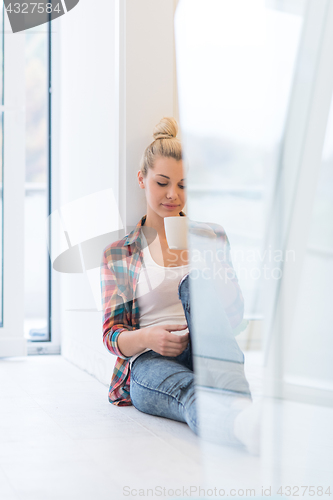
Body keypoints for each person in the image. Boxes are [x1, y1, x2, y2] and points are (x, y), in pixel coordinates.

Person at [100, 117, 260, 454]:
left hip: (211, 349)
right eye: (162, 183)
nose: (173, 195)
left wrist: (215, 268)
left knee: (193, 285)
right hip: (150, 359)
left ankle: (242, 411)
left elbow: (234, 319)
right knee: (191, 392)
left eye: (184, 185)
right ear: (142, 179)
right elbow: (112, 335)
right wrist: (148, 337)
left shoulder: (211, 236)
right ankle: (241, 423)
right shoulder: (120, 254)